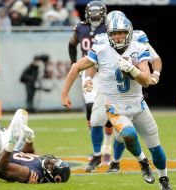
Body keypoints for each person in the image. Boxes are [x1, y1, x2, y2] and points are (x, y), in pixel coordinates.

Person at [61, 16, 171, 189]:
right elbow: (77, 67)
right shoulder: (101, 47)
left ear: (128, 33)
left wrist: (133, 70)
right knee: (128, 134)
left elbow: (146, 80)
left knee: (156, 148)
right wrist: (64, 93)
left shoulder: (139, 46)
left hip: (138, 105)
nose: (117, 38)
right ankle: (142, 161)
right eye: (113, 34)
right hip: (115, 106)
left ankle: (164, 179)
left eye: (120, 34)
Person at [0, 67, 71, 183]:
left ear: (55, 178)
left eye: (52, 165)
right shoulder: (42, 166)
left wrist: (11, 144)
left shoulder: (32, 175)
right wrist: (30, 140)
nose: (51, 161)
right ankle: (4, 134)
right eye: (54, 160)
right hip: (10, 149)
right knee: (22, 114)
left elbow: (1, 168)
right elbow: (28, 155)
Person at [68, 0, 113, 171]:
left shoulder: (109, 27)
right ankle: (96, 150)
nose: (95, 17)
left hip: (105, 70)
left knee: (107, 110)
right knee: (90, 106)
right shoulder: (80, 27)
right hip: (88, 71)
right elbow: (72, 44)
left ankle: (107, 146)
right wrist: (75, 65)